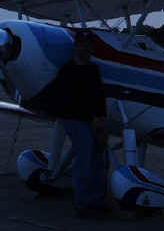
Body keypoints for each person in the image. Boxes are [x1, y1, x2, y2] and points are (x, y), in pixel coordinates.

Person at [51, 30, 108, 218]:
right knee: (84, 156)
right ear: (76, 47)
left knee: (100, 158)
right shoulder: (67, 70)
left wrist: (100, 119)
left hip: (92, 120)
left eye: (89, 45)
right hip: (73, 119)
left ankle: (97, 200)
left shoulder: (93, 69)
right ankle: (83, 204)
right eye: (82, 45)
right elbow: (63, 100)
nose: (86, 48)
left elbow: (99, 97)